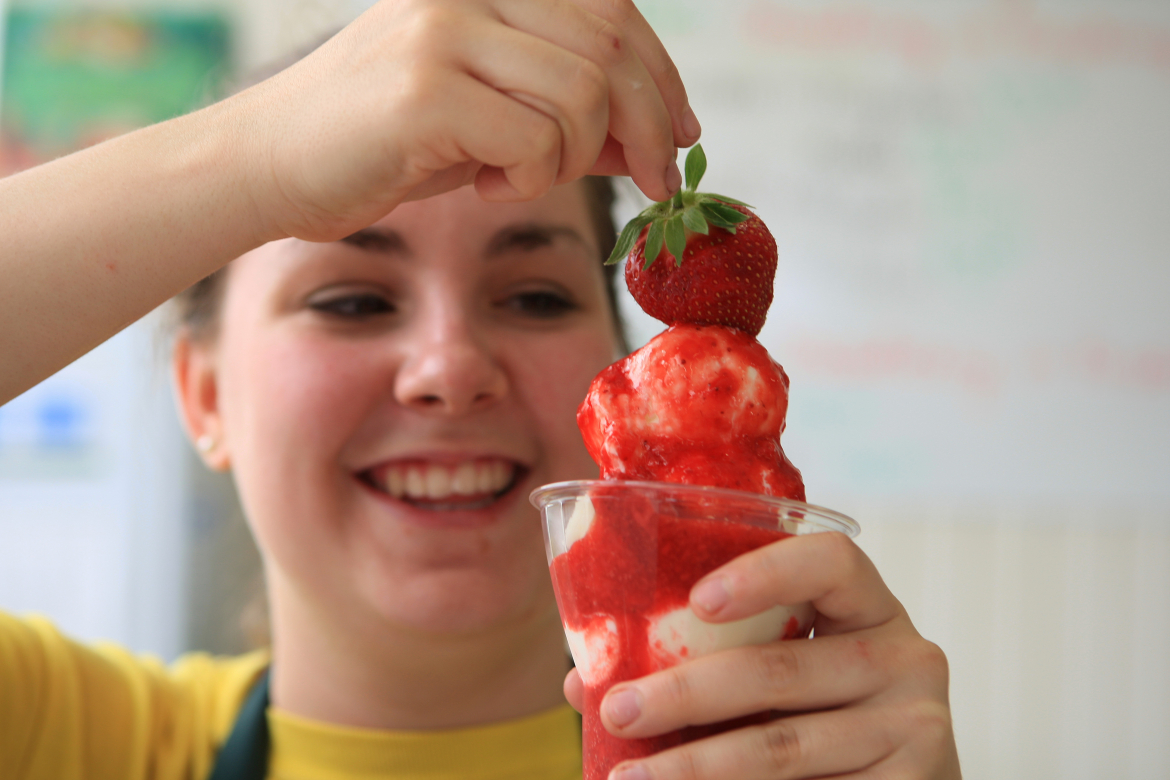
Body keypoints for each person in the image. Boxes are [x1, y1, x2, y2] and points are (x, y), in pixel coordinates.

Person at [0, 1, 962, 778]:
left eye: (536, 295)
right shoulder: (68, 737)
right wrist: (255, 159)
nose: (451, 368)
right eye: (352, 300)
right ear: (203, 395)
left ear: (619, 384)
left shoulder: (769, 767)